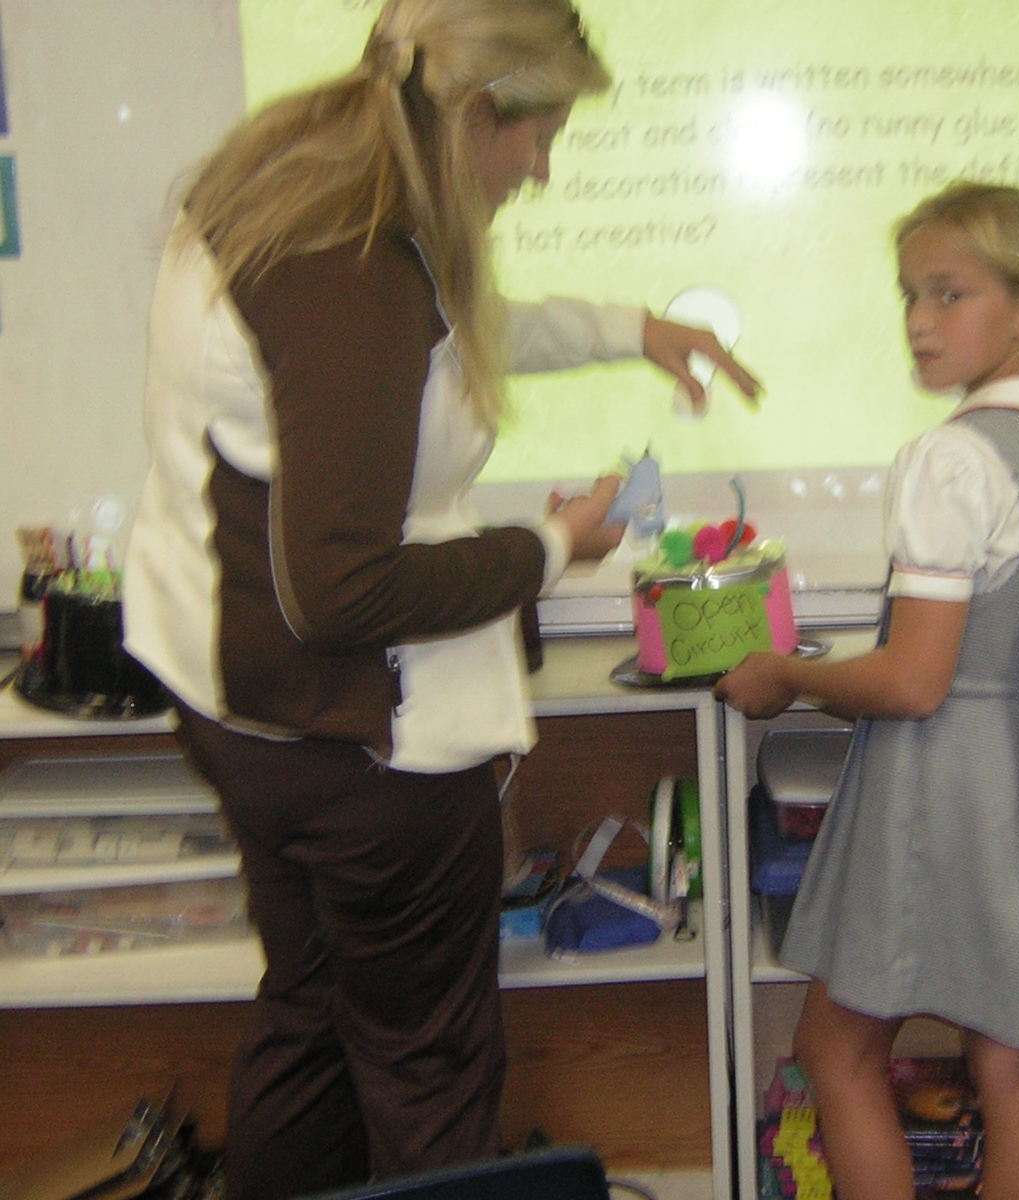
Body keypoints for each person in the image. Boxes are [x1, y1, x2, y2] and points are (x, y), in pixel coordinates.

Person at [120, 2, 758, 1197]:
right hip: (359, 749)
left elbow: (432, 337)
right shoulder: (352, 263)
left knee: (309, 1021)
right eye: (540, 135)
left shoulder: (297, 172)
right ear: (475, 115)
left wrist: (630, 329)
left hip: (239, 708)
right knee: (427, 1078)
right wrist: (550, 545)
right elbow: (344, 588)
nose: (544, 169)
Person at [715, 181, 1019, 1200]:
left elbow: (911, 681)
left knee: (838, 1051)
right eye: (909, 295)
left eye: (949, 296)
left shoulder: (951, 459)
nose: (917, 322)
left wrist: (783, 676)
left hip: (947, 792)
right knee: (1014, 1063)